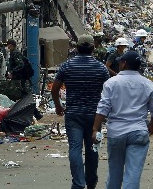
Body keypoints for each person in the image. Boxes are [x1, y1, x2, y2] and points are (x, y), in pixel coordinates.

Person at [93, 51, 153, 189]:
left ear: (124, 64)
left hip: (116, 132)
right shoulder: (148, 84)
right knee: (133, 173)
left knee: (114, 172)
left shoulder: (111, 83)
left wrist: (95, 128)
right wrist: (152, 125)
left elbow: (103, 108)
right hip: (139, 131)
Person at [51, 34, 109, 189]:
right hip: (94, 116)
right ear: (93, 48)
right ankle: (91, 182)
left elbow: (55, 88)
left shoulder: (67, 66)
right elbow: (109, 92)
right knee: (93, 148)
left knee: (75, 148)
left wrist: (58, 105)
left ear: (76, 48)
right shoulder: (101, 68)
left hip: (73, 114)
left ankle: (78, 184)